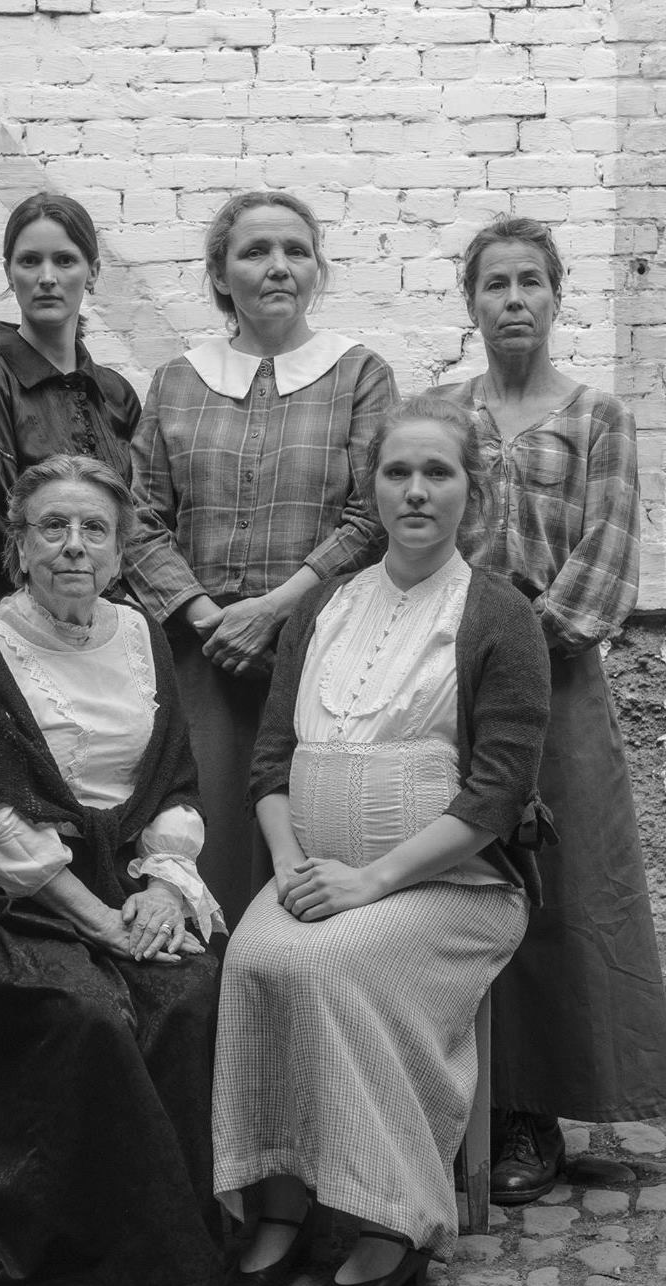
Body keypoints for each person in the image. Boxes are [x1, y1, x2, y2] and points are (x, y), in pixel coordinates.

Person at [211, 396, 552, 1286]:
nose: (416, 490)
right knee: (253, 958)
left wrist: (371, 880)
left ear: (472, 491)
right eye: (398, 472)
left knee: (330, 963)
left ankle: (394, 1217)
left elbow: (497, 793)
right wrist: (290, 862)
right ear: (372, 486)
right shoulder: (323, 606)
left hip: (455, 885)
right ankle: (281, 1204)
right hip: (315, 873)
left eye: (438, 472)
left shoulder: (497, 615)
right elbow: (271, 760)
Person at [0, 455, 226, 1286]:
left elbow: (172, 784)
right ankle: (84, 1253)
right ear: (19, 546)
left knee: (189, 992)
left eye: (94, 529)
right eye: (52, 527)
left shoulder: (142, 636)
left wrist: (164, 887)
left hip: (120, 871)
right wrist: (102, 921)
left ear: (120, 549)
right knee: (84, 1011)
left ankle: (170, 1240)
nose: (73, 546)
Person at [432, 215, 666, 1205]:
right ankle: (459, 1101)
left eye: (529, 281)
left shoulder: (597, 418)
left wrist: (518, 653)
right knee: (461, 886)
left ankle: (533, 1108)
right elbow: (417, 543)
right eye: (494, 283)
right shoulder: (441, 417)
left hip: (559, 684)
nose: (513, 299)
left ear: (556, 294)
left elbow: (605, 562)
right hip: (451, 687)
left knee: (560, 894)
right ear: (470, 301)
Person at [123, 189, 398, 922]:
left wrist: (275, 609)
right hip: (201, 660)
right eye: (255, 251)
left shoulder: (360, 374)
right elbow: (137, 516)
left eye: (296, 251)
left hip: (321, 655)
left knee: (310, 854)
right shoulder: (177, 380)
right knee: (199, 839)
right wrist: (207, 617)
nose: (279, 266)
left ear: (317, 269)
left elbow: (372, 514)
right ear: (220, 275)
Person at [0, 192, 142, 626]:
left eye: (65, 261)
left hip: (99, 618)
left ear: (93, 272)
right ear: (8, 272)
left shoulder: (116, 393)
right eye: (30, 261)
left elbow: (131, 521)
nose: (47, 277)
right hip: (6, 619)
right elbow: (0, 529)